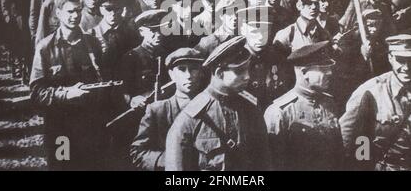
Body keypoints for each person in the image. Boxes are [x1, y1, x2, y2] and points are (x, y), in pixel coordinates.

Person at [29, 0, 108, 170]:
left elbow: (103, 79)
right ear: (58, 13)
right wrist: (66, 94)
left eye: (78, 10)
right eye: (70, 12)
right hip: (60, 127)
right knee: (63, 166)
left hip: (90, 125)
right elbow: (36, 93)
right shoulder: (45, 48)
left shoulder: (92, 43)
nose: (75, 16)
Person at [165, 36, 271, 171]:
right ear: (219, 73)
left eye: (247, 69)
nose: (247, 76)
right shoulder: (192, 118)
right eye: (239, 71)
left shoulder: (251, 110)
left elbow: (264, 164)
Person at [340, 34, 411, 171]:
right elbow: (351, 140)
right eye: (400, 60)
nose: (406, 68)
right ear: (390, 58)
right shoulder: (370, 92)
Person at [264, 41, 344, 170]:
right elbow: (273, 163)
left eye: (329, 68)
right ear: (304, 72)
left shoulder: (329, 103)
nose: (330, 73)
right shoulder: (280, 112)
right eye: (323, 69)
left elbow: (338, 152)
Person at [130, 48, 205, 171]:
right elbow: (138, 152)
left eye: (193, 69)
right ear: (172, 75)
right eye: (182, 69)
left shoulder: (212, 107)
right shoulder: (158, 110)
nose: (188, 75)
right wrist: (167, 159)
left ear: (201, 72)